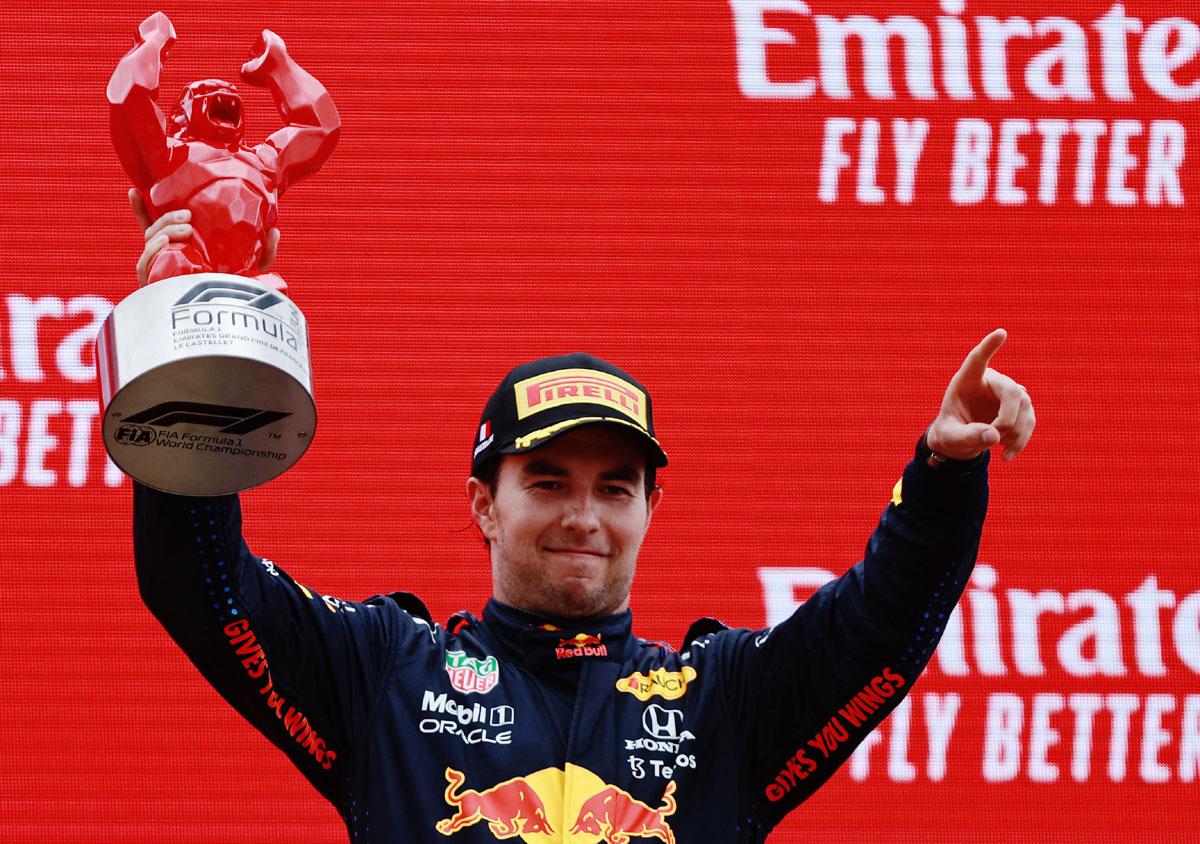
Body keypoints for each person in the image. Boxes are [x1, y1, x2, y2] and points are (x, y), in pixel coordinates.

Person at [130, 204, 1035, 842]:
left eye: (615, 488)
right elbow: (203, 588)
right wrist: (194, 346)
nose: (583, 517)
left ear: (650, 509)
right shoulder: (387, 676)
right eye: (550, 481)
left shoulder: (722, 706)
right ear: (484, 503)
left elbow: (882, 627)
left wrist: (947, 472)